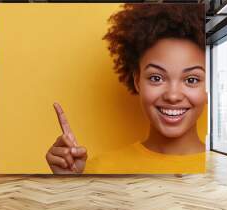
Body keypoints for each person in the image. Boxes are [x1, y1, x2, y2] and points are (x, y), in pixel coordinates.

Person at [45, 3, 206, 174]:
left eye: (191, 79)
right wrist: (70, 186)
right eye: (156, 78)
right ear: (137, 81)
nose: (173, 96)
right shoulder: (98, 170)